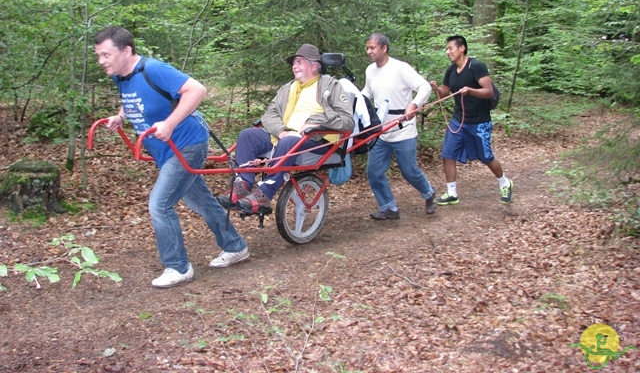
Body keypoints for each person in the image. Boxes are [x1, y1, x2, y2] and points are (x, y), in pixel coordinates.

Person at [94, 26, 249, 289]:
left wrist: (169, 123)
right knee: (201, 200)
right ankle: (236, 246)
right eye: (99, 55)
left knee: (159, 204)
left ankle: (178, 266)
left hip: (188, 144)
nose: (101, 61)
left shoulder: (154, 69)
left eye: (106, 55)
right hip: (164, 152)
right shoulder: (121, 76)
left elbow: (197, 90)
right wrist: (120, 116)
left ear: (126, 50)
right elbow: (133, 100)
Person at [217, 44, 355, 214]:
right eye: (293, 63)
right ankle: (242, 185)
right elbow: (269, 115)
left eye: (299, 62)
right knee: (248, 135)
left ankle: (264, 195)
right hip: (285, 138)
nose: (294, 66)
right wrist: (282, 131)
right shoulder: (287, 88)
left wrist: (316, 122)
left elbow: (347, 120)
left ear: (314, 65)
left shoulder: (330, 86)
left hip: (316, 142)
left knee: (289, 141)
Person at [361, 32, 437, 220]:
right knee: (374, 171)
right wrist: (355, 102)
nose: (369, 51)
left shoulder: (400, 68)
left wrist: (413, 105)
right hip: (380, 129)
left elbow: (424, 87)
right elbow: (367, 93)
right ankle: (389, 207)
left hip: (403, 129)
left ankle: (428, 193)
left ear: (384, 48)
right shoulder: (370, 70)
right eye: (367, 48)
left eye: (372, 47)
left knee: (409, 170)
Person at [429, 35, 513, 205]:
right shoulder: (451, 71)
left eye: (450, 48)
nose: (448, 52)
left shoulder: (476, 66)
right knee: (447, 153)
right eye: (447, 49)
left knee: (486, 157)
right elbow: (444, 93)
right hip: (458, 120)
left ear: (462, 48)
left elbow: (488, 91)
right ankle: (452, 193)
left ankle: (505, 182)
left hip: (479, 122)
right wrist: (435, 88)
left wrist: (470, 90)